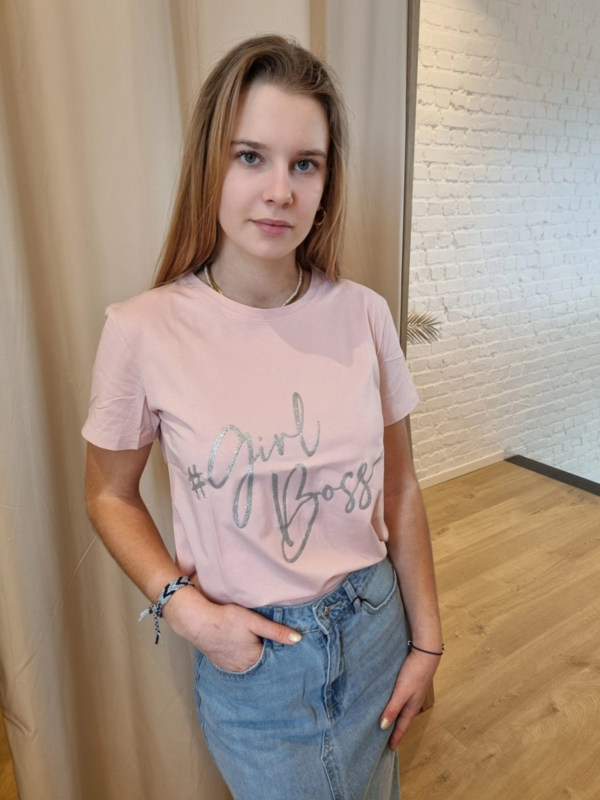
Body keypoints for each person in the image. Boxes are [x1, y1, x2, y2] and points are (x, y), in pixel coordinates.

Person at [82, 33, 443, 800]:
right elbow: (108, 494)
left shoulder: (365, 314)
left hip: (375, 625)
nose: (280, 190)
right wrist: (186, 613)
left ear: (326, 181)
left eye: (304, 164)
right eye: (251, 157)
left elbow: (402, 488)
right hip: (255, 674)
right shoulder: (141, 331)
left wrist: (427, 645)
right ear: (210, 164)